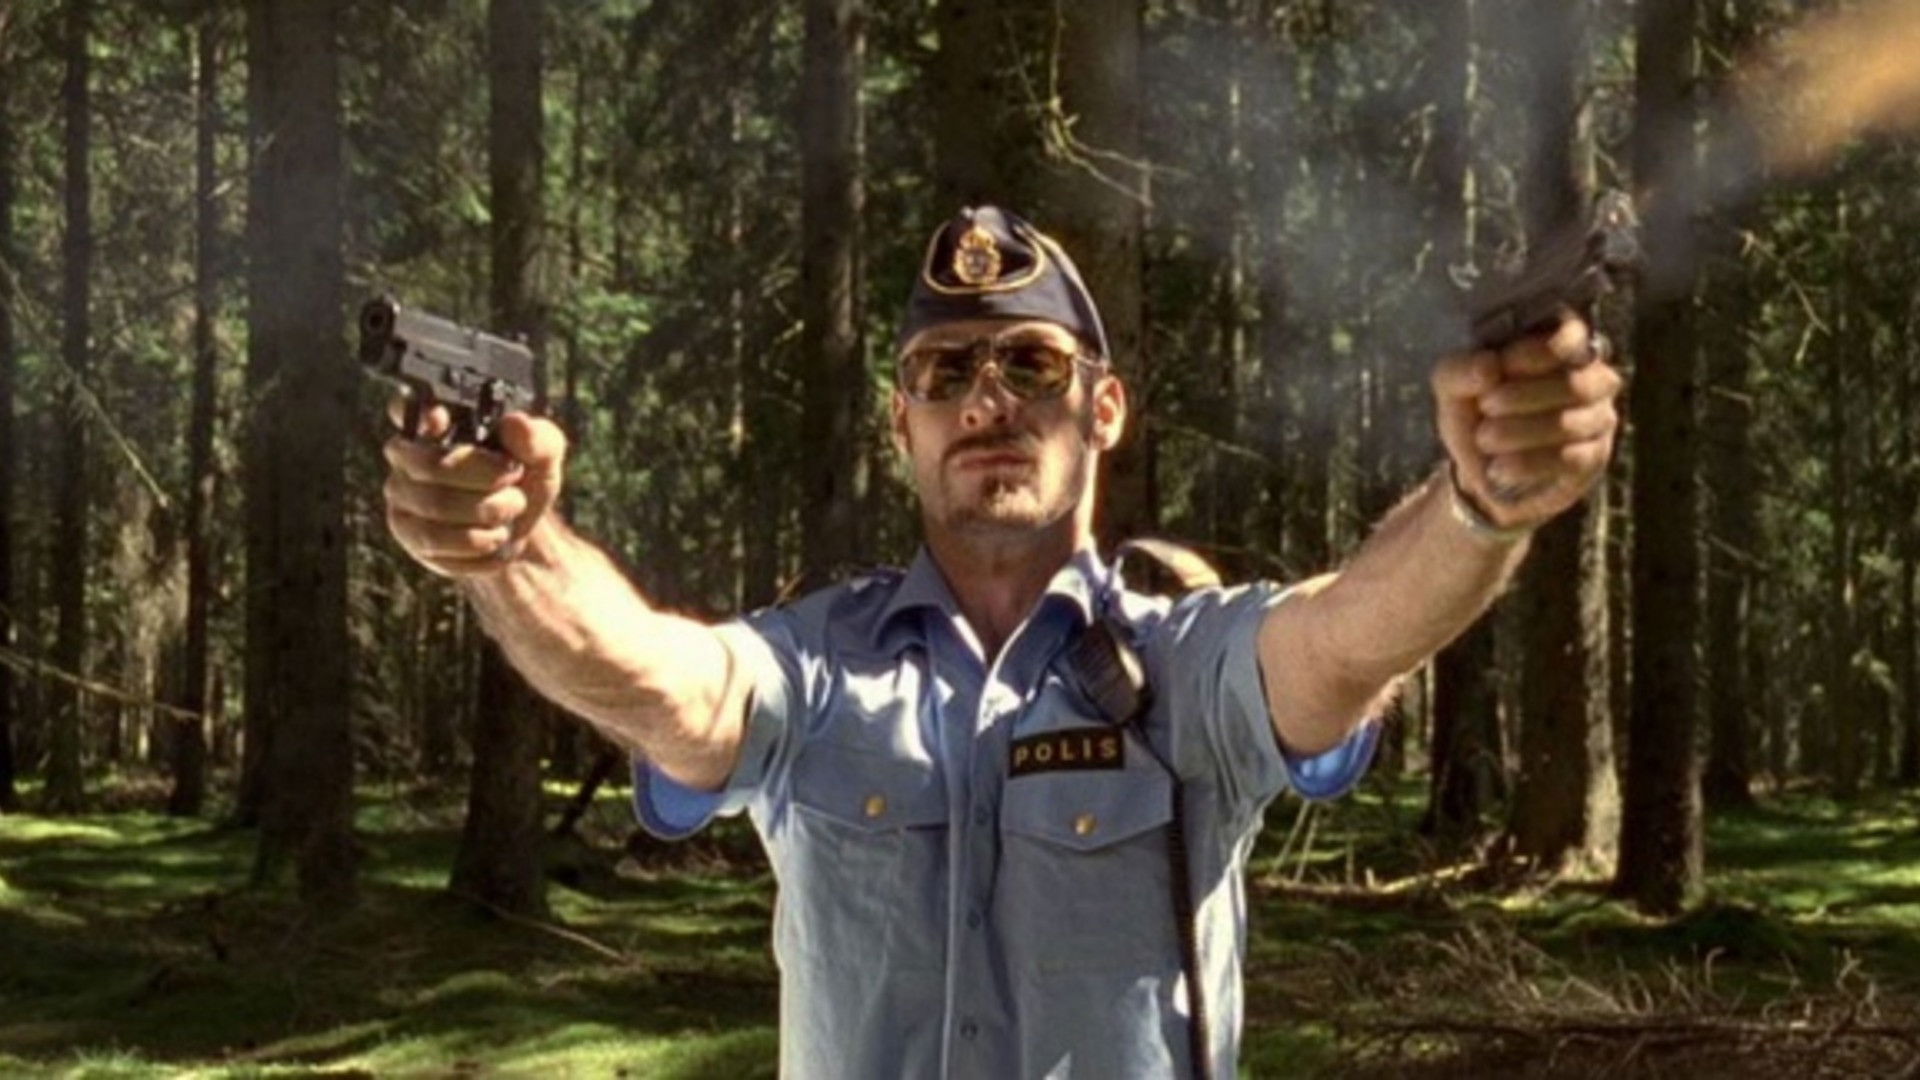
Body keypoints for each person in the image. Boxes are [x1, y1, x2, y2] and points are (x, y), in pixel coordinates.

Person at [381, 205, 1623, 1078]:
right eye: (944, 372)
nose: (986, 399)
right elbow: (667, 681)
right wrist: (512, 548)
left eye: (1031, 362)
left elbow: (1346, 638)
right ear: (902, 426)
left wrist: (1480, 505)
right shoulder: (818, 667)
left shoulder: (1181, 665)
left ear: (1104, 406)